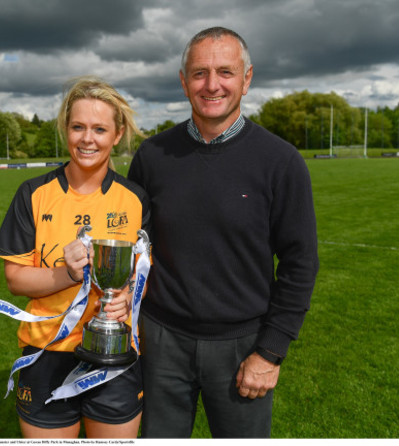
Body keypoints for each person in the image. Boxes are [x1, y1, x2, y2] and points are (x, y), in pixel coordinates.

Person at [127, 27, 319, 438]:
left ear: (247, 79)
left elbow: (300, 263)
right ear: (183, 82)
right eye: (199, 73)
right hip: (161, 341)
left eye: (225, 72)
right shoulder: (152, 156)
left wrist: (270, 352)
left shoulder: (281, 161)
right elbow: (134, 248)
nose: (212, 85)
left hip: (242, 346)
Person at [0, 76, 150, 438]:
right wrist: (67, 274)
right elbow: (15, 279)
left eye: (99, 128)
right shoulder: (33, 193)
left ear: (117, 133)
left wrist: (126, 298)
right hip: (47, 351)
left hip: (117, 352)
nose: (87, 139)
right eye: (78, 127)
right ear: (66, 129)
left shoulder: (135, 199)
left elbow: (145, 274)